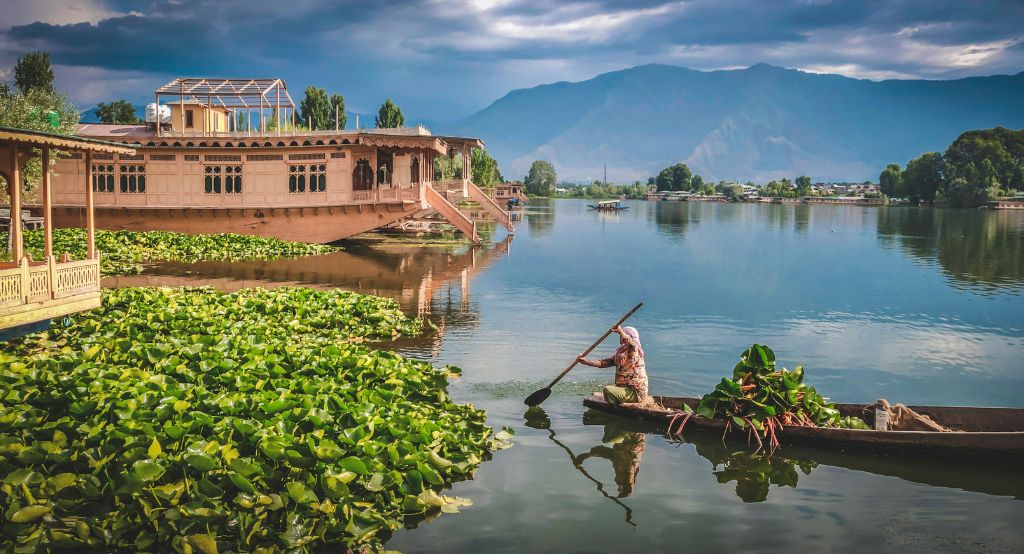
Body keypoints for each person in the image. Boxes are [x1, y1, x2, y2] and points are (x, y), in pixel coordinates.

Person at [577, 325, 649, 404]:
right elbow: (603, 363)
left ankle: (616, 406)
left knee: (607, 389)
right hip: (625, 388)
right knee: (609, 388)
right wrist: (586, 362)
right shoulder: (621, 353)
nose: (620, 337)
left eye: (623, 335)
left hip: (635, 392)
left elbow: (632, 345)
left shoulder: (634, 352)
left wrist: (620, 331)